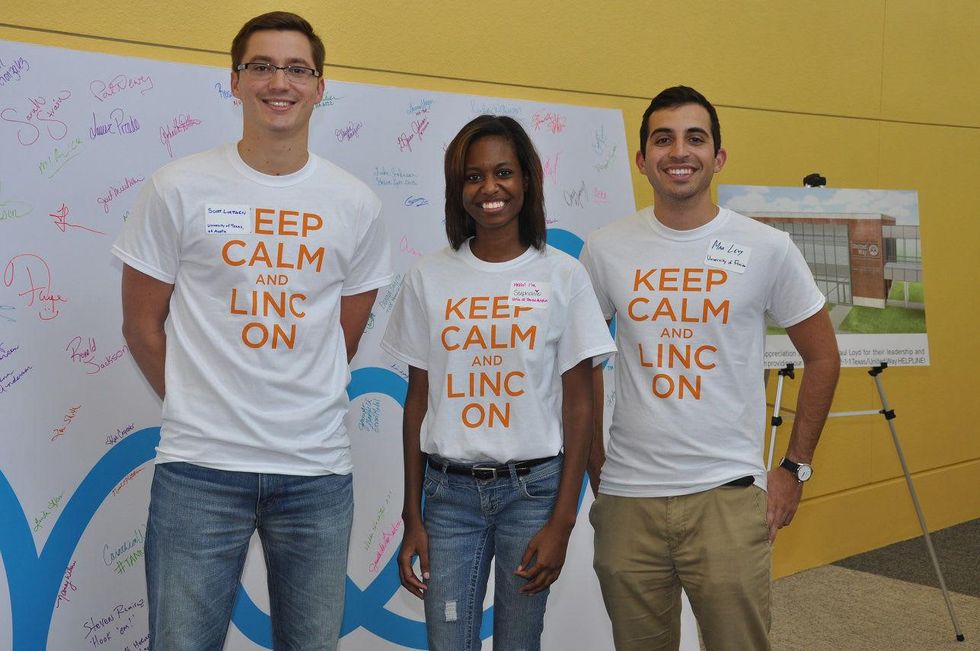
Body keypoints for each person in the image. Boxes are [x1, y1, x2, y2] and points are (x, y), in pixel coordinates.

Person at [112, 12, 392, 650]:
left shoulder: (354, 204)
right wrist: (198, 403)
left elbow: (342, 337)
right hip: (200, 471)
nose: (279, 82)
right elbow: (139, 324)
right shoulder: (177, 188)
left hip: (316, 473)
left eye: (297, 69)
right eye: (261, 66)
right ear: (234, 81)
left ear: (320, 87)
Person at [580, 86, 840, 651]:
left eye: (695, 138)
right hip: (628, 501)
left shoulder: (766, 247)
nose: (680, 151)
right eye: (663, 138)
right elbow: (579, 367)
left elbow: (823, 356)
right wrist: (594, 465)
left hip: (727, 498)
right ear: (642, 158)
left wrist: (794, 469)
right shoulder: (604, 250)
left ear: (718, 157)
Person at [381, 115, 616, 651]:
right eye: (473, 176)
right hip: (448, 497)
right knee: (448, 639)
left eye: (504, 172)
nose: (489, 188)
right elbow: (417, 402)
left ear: (529, 179)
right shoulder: (428, 277)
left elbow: (580, 406)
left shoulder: (562, 276)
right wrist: (411, 514)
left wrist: (563, 521)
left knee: (518, 641)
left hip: (533, 495)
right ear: (456, 188)